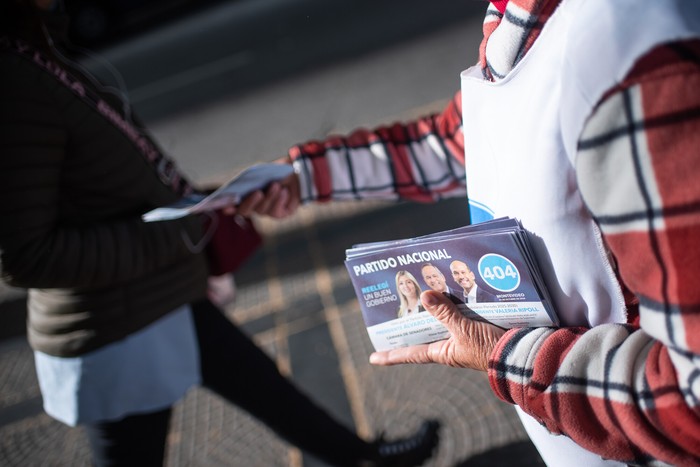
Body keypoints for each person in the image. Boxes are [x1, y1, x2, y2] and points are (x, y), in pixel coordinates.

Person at [0, 1, 442, 466]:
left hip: (162, 293)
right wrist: (181, 231)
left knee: (266, 388)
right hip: (114, 327)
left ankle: (363, 458)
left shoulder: (33, 50)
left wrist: (200, 205)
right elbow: (27, 256)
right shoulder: (12, 78)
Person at [265, 0, 700, 465]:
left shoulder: (632, 54)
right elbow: (462, 141)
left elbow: (690, 407)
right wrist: (306, 175)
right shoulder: (520, 16)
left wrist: (505, 354)